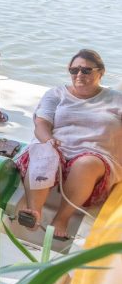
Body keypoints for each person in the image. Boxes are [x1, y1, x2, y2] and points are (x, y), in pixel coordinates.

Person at [16, 49, 122, 239]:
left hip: (95, 155)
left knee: (85, 164)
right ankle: (34, 211)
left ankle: (62, 218)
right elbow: (41, 124)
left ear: (101, 72)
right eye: (74, 71)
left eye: (86, 70)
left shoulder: (116, 99)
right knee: (46, 153)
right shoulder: (56, 94)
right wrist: (48, 140)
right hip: (58, 147)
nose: (79, 75)